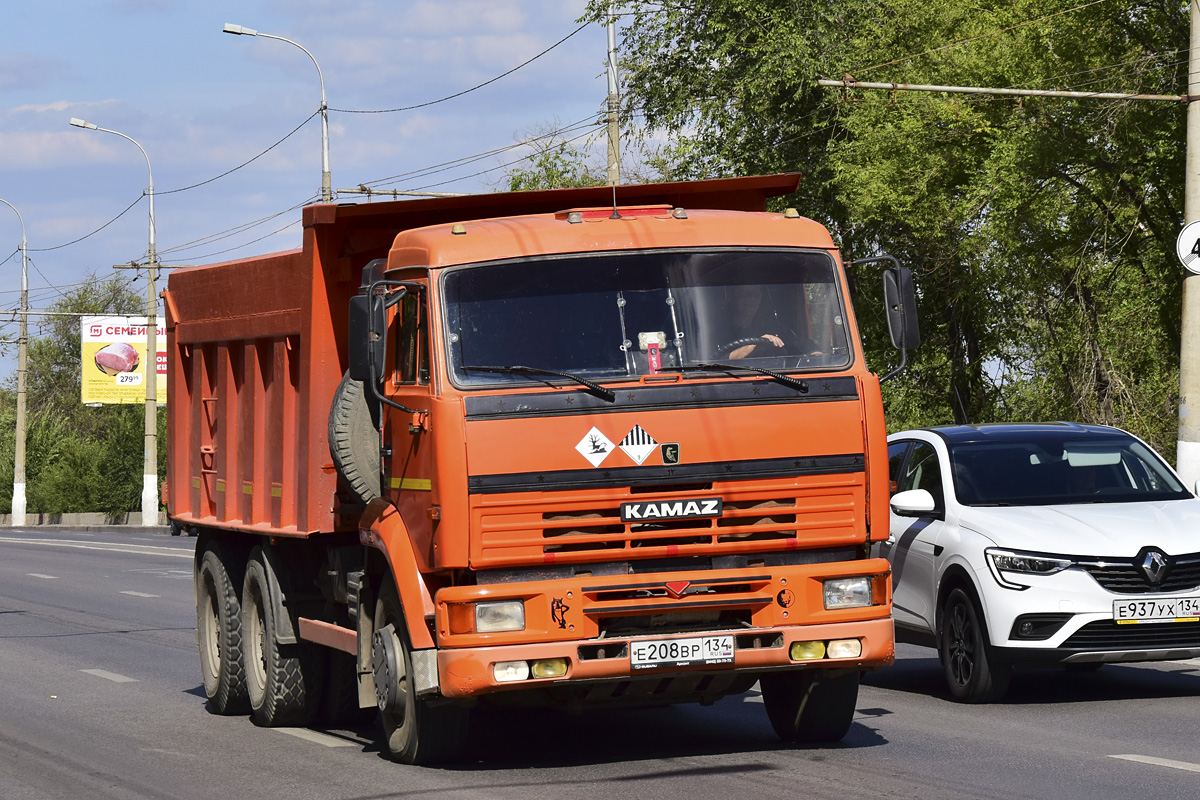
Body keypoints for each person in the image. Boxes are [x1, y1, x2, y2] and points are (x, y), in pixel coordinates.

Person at [722, 285, 821, 359]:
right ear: (733, 297)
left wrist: (814, 353)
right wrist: (754, 346)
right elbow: (717, 361)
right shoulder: (722, 330)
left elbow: (797, 343)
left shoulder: (772, 326)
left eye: (756, 294)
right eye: (745, 294)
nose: (751, 299)